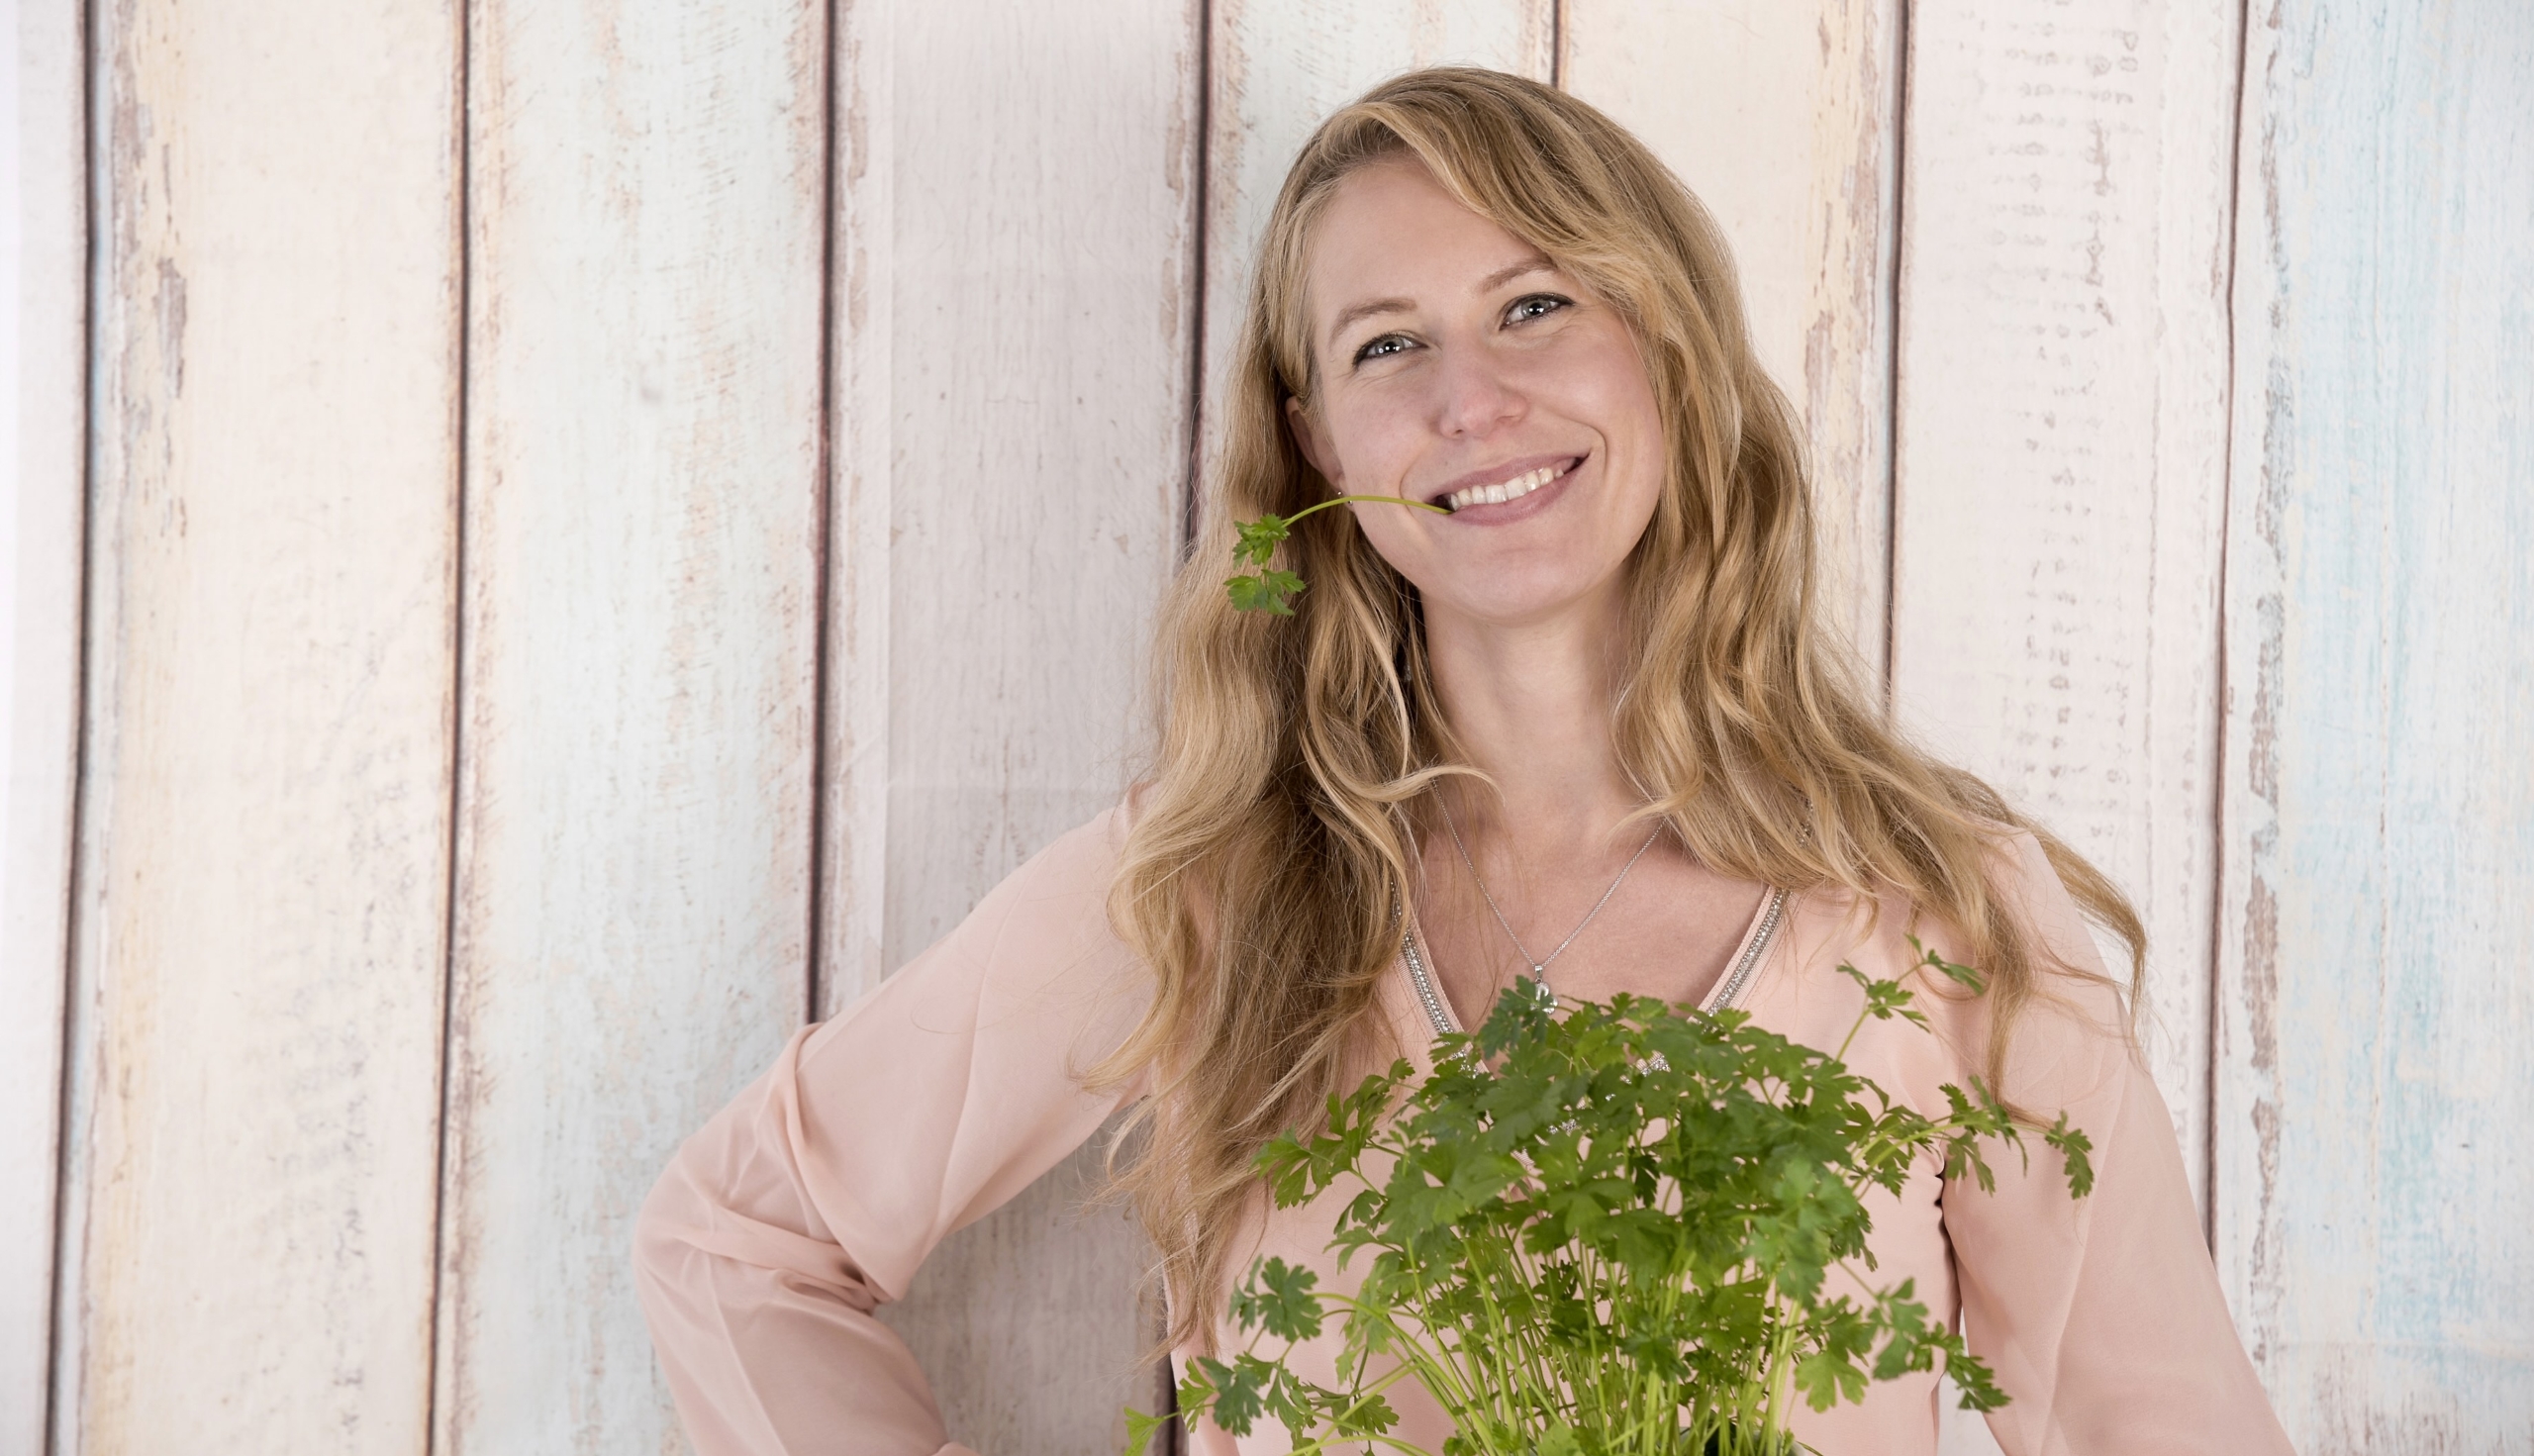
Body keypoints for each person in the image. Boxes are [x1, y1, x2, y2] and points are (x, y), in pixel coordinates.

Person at [634, 67, 2290, 1455]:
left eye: (1537, 306)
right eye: (1386, 346)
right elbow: (736, 1242)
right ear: (1317, 445)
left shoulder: (1939, 915)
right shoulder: (1213, 884)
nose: (1471, 401)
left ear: (1669, 351)